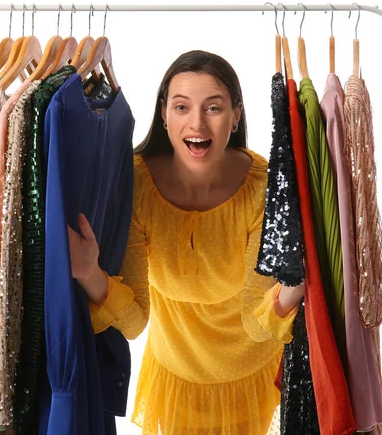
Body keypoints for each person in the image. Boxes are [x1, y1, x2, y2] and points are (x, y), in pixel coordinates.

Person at [67, 50, 305, 434]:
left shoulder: (264, 187)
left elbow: (256, 321)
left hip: (249, 377)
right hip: (174, 375)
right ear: (164, 114)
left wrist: (294, 288)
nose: (197, 123)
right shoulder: (136, 182)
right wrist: (89, 272)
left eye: (213, 108)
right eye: (182, 107)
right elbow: (133, 323)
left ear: (237, 115)